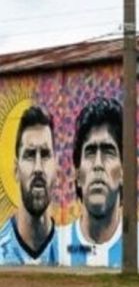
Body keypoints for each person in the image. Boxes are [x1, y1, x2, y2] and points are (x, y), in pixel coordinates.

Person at [65, 97, 126, 266]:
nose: (98, 164)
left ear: (123, 172)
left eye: (108, 151)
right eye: (90, 152)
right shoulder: (57, 244)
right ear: (77, 175)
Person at [0, 106, 59, 264]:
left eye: (45, 154)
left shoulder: (68, 253)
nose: (38, 168)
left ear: (56, 167)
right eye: (30, 155)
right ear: (16, 169)